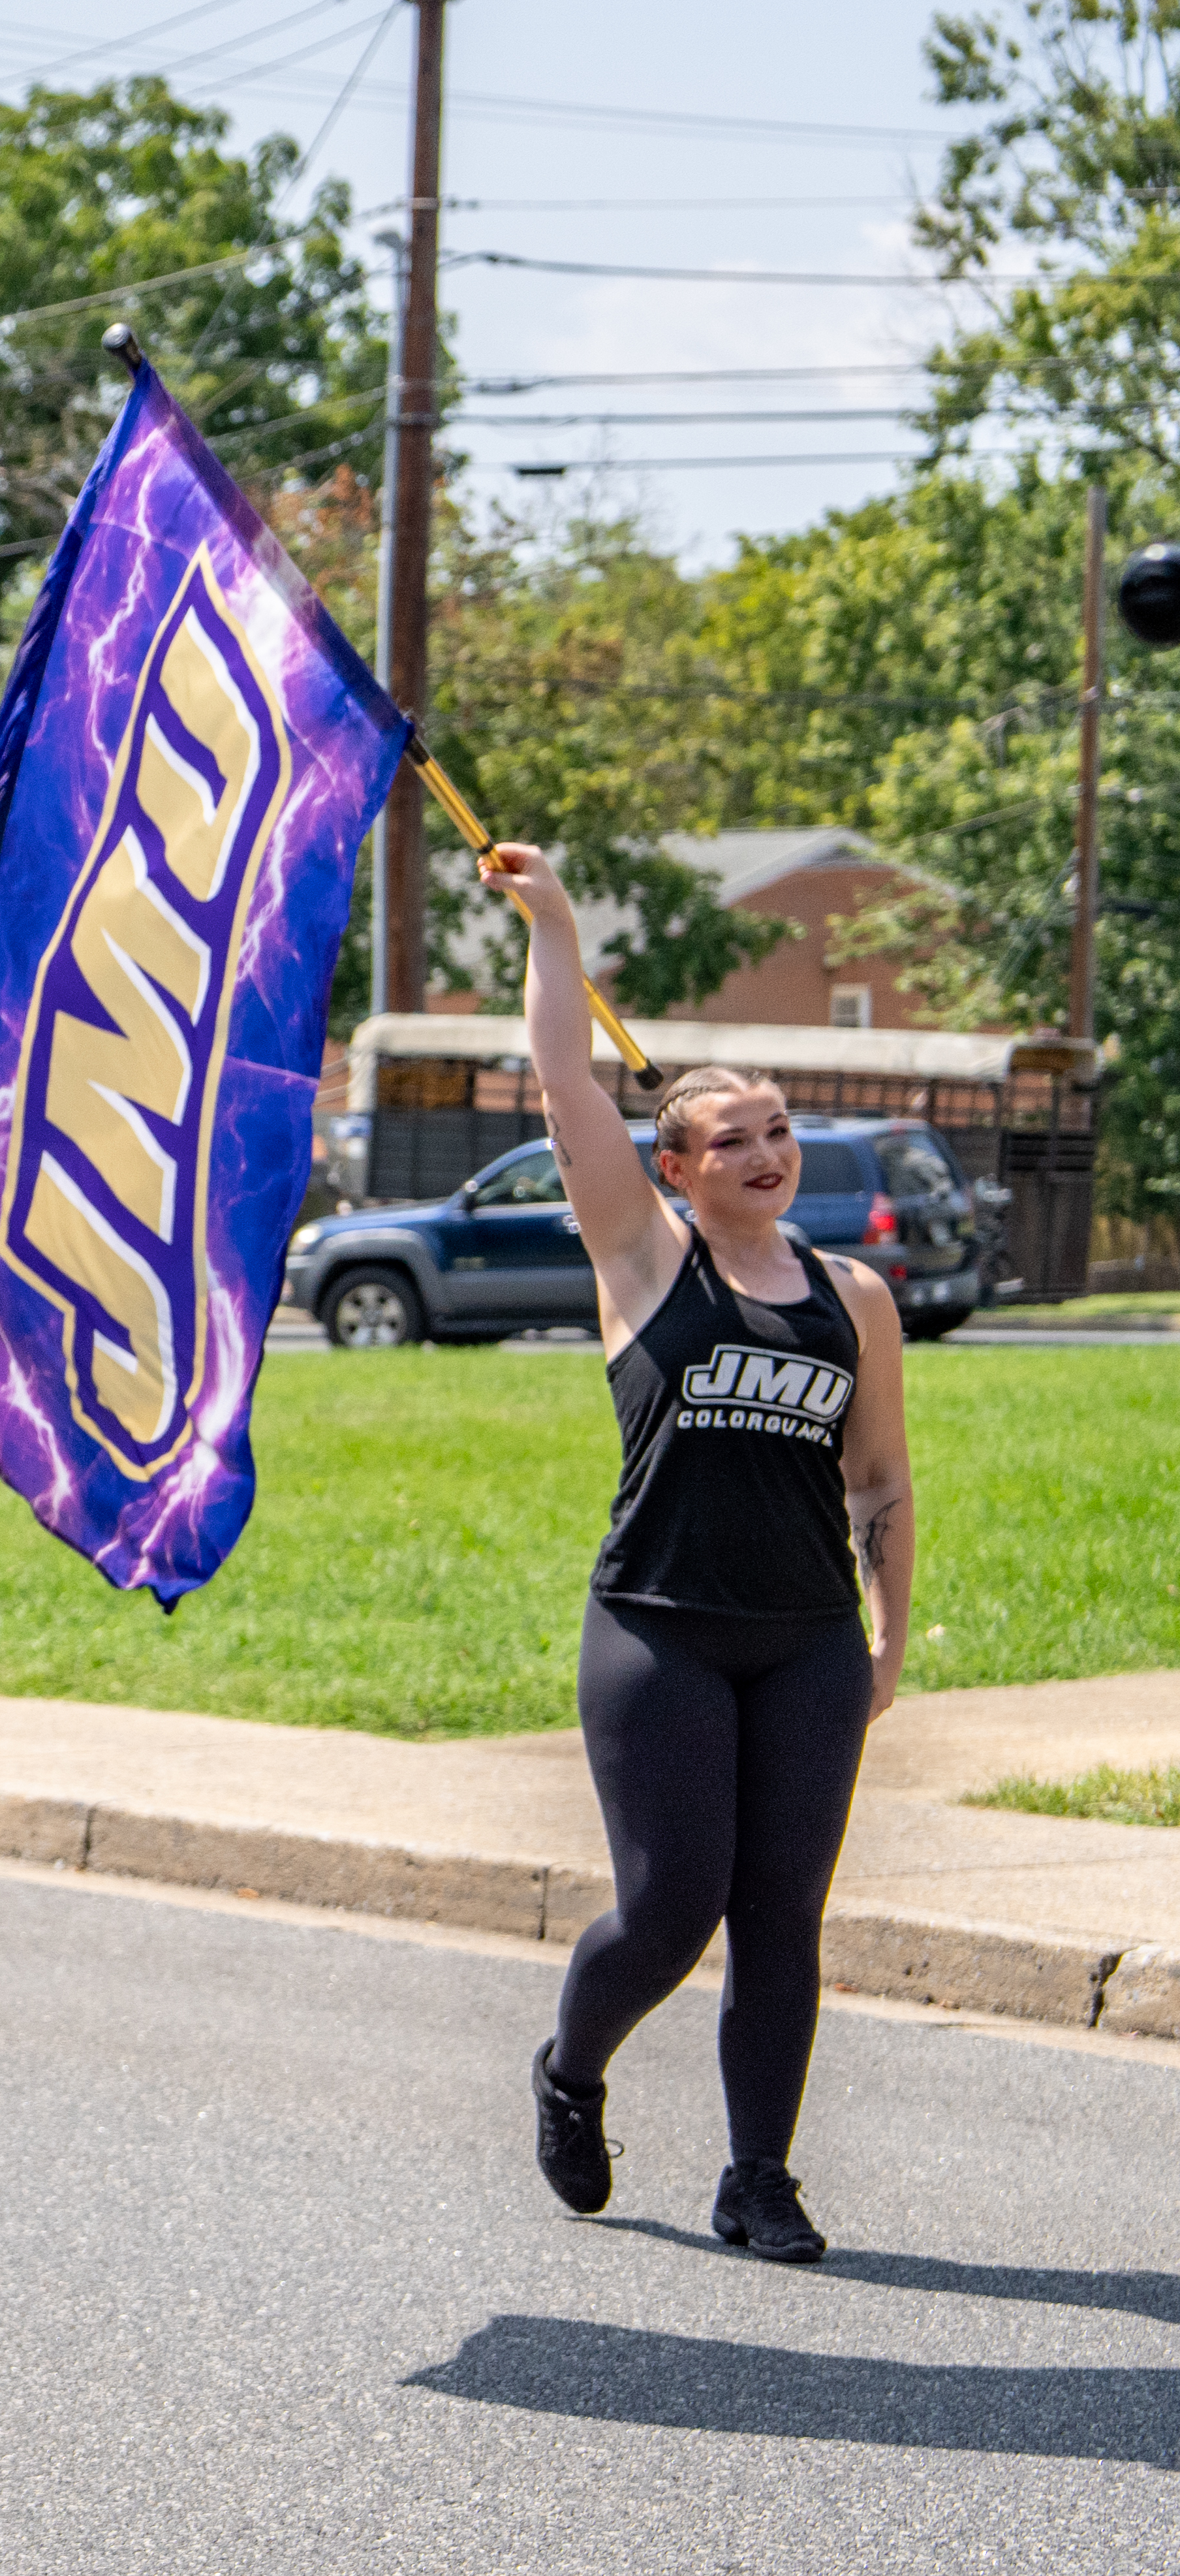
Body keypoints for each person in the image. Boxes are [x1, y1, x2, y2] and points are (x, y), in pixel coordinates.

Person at [491, 845, 911, 2267]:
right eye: (730, 1138)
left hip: (801, 1636)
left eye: (778, 1129)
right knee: (669, 1908)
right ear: (672, 1167)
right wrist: (553, 920)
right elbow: (562, 1079)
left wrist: (885, 1643)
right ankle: (570, 2066)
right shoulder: (642, 1259)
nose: (764, 1152)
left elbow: (877, 1477)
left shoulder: (854, 1295)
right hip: (657, 1625)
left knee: (780, 1911)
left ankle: (759, 2176)